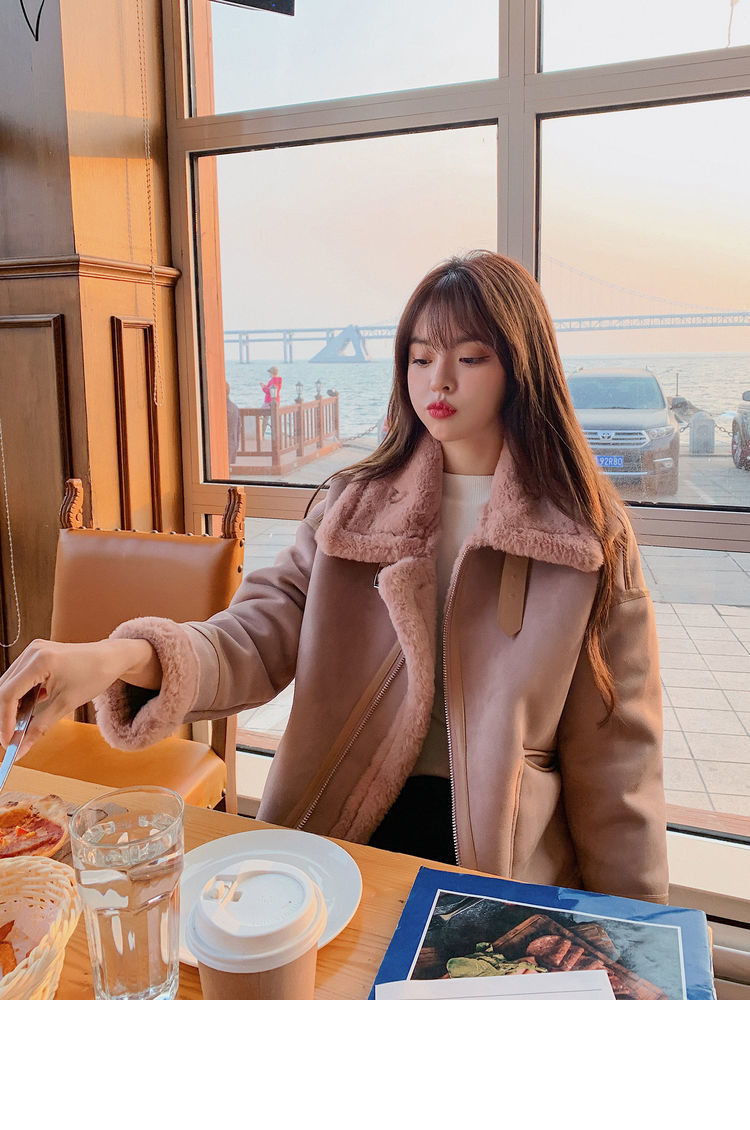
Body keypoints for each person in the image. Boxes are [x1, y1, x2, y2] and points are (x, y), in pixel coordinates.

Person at [0, 252, 667, 902]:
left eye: (470, 359)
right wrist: (116, 658)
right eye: (421, 358)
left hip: (500, 870)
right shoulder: (352, 506)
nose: (439, 381)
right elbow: (252, 637)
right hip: (341, 833)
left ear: (522, 369)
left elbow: (619, 759)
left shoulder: (585, 537)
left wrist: (642, 934)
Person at [260, 365, 282, 435]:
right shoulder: (278, 381)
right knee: (271, 418)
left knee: (260, 414)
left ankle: (261, 433)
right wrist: (265, 386)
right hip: (276, 401)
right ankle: (275, 434)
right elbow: (271, 389)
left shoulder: (273, 381)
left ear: (271, 373)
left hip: (269, 402)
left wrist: (263, 387)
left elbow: (269, 391)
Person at [225, 381, 241, 465]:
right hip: (232, 444)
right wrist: (236, 445)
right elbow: (238, 429)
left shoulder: (223, 408)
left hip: (226, 445)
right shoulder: (234, 407)